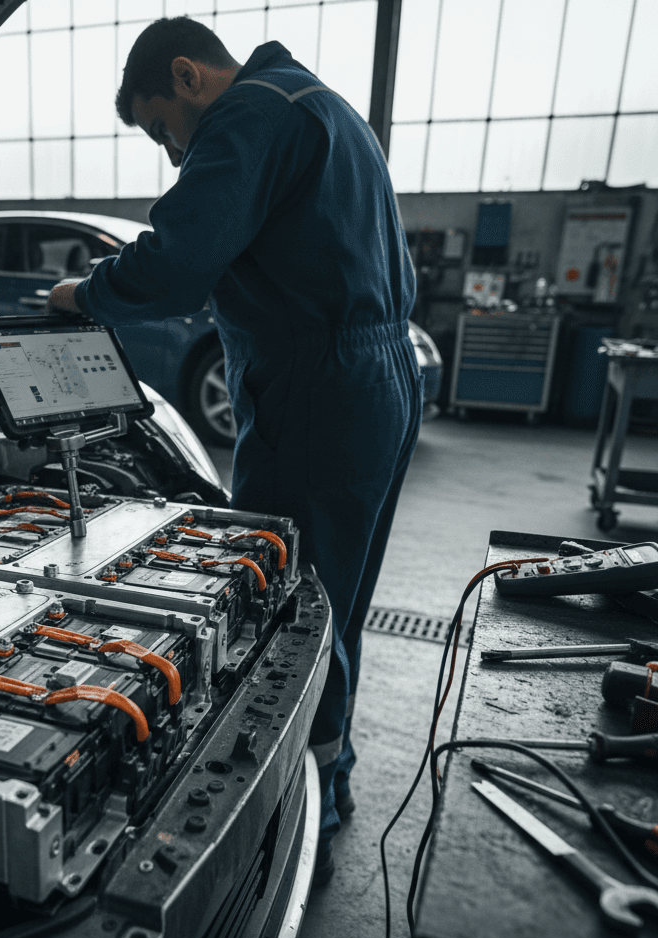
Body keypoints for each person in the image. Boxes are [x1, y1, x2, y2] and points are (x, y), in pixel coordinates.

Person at [49, 17, 421, 885]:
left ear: (186, 76)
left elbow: (176, 264)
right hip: (376, 377)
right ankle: (335, 784)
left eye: (161, 132)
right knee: (337, 603)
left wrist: (81, 295)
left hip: (314, 391)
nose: (172, 155)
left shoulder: (247, 114)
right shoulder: (321, 103)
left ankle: (305, 816)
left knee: (293, 612)